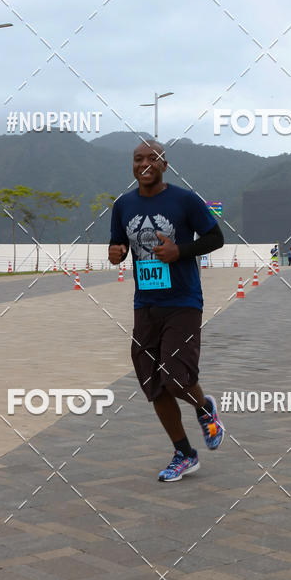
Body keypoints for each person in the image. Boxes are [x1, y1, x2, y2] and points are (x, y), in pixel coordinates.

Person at [109, 140, 225, 482]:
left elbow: (216, 238)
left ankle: (205, 409)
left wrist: (180, 251)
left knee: (175, 378)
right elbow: (118, 243)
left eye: (152, 158)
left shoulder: (185, 200)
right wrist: (116, 252)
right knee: (153, 383)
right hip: (145, 304)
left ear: (164, 164)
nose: (144, 164)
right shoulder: (122, 204)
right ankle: (184, 453)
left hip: (183, 301)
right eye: (138, 158)